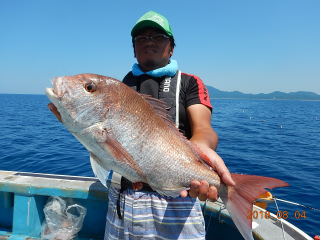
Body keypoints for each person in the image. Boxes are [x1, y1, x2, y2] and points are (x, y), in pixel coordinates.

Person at [48, 11, 235, 240]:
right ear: (134, 49)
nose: (149, 41)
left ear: (172, 46)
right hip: (121, 202)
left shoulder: (189, 83)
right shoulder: (121, 87)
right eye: (141, 38)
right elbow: (104, 146)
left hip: (177, 203)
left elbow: (204, 129)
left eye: (157, 35)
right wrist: (79, 127)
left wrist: (199, 152)